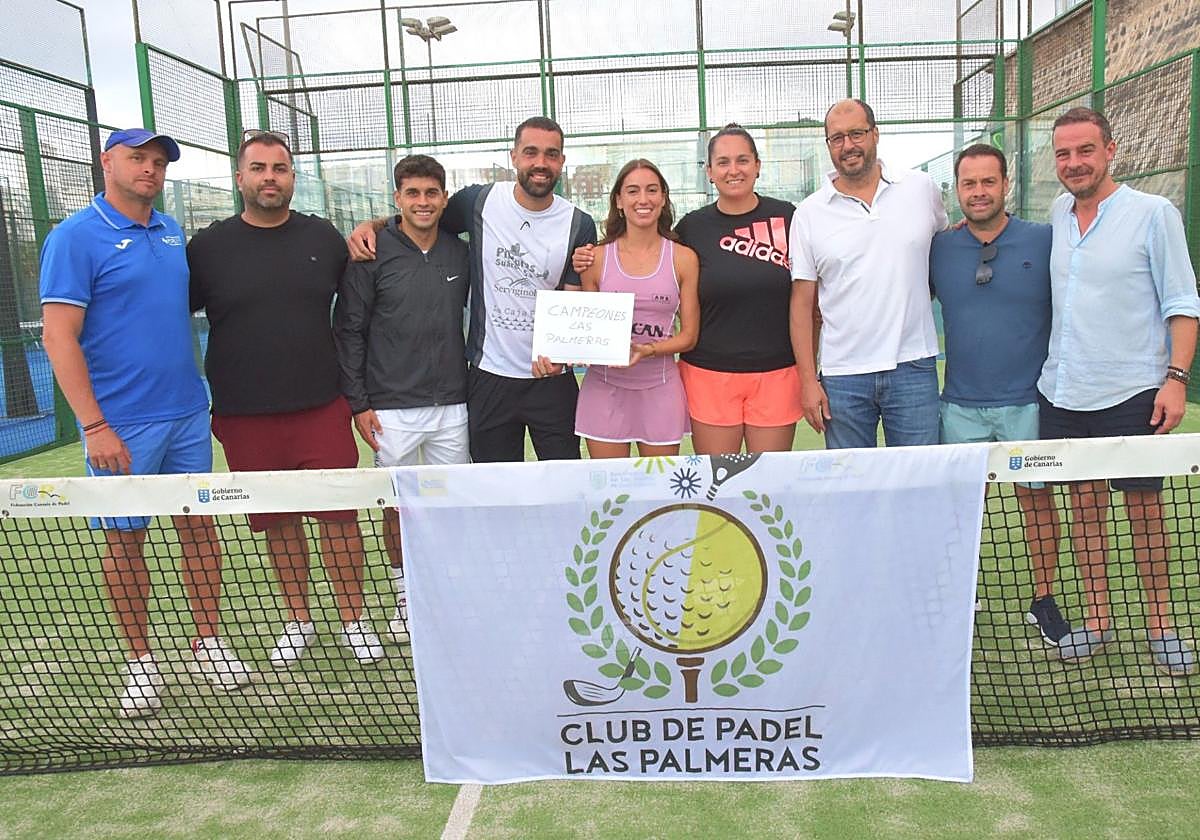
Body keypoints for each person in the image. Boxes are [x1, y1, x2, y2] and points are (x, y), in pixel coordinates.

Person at [39, 128, 250, 718]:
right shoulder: (74, 238)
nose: (150, 170)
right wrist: (93, 425)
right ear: (107, 163)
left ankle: (208, 643)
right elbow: (59, 337)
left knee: (199, 531)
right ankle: (141, 662)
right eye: (138, 159)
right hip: (119, 425)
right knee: (126, 540)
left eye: (158, 162)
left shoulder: (172, 230)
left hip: (187, 412)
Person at [188, 130, 384, 667]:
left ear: (293, 179)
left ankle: (354, 618)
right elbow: (165, 312)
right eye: (259, 168)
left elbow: (377, 259)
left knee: (340, 519)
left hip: (322, 406)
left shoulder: (321, 236)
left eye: (280, 168)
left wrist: (374, 222)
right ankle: (298, 618)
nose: (269, 177)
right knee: (278, 522)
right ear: (240, 178)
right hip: (243, 415)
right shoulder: (206, 248)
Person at [1038, 107, 1199, 676]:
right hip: (1062, 391)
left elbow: (1183, 303)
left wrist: (1175, 381)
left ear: (1110, 149)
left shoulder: (1154, 214)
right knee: (1084, 507)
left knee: (1146, 513)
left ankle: (1161, 625)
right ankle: (1099, 620)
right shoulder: (1057, 213)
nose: (1074, 163)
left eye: (1085, 151)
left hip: (1134, 391)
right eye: (1063, 154)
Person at [348, 116, 597, 463]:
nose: (540, 163)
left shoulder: (580, 223)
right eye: (530, 152)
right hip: (487, 380)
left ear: (562, 161)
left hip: (551, 382)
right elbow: (422, 216)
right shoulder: (478, 202)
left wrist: (563, 354)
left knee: (564, 487)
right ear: (514, 157)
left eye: (551, 154)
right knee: (492, 493)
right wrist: (372, 225)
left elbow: (575, 298)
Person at [574, 124, 804, 455]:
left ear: (757, 165)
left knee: (766, 487)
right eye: (723, 162)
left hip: (776, 374)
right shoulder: (693, 229)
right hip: (709, 376)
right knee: (711, 484)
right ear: (709, 171)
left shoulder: (788, 218)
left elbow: (808, 295)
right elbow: (585, 325)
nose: (733, 170)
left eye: (742, 160)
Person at [929, 143, 1066, 645]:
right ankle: (963, 592)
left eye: (989, 182)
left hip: (1028, 404)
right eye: (970, 183)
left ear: (1005, 183)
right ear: (957, 189)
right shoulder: (939, 248)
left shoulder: (1045, 240)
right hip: (960, 405)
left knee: (1037, 505)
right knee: (960, 505)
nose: (979, 192)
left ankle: (1043, 598)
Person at [334, 154, 469, 645]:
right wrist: (359, 403)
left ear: (443, 198)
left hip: (453, 403)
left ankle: (447, 590)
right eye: (412, 193)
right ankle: (405, 595)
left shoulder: (460, 252)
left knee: (449, 504)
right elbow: (349, 331)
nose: (423, 202)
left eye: (431, 193)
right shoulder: (370, 255)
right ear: (397, 199)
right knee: (398, 507)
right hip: (389, 408)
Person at [789, 99, 948, 449]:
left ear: (875, 134)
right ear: (828, 145)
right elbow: (801, 305)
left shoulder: (921, 189)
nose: (848, 146)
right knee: (851, 491)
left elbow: (945, 245)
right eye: (837, 138)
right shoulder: (808, 213)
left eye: (857, 134)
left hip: (914, 367)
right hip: (842, 377)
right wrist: (807, 381)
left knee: (918, 485)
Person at [569, 159, 699, 458]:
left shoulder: (683, 258)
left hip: (661, 391)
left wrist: (647, 349)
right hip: (604, 391)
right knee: (611, 496)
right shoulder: (595, 259)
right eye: (632, 191)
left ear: (663, 198)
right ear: (618, 200)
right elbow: (583, 331)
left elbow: (689, 336)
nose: (643, 199)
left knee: (660, 491)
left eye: (652, 190)